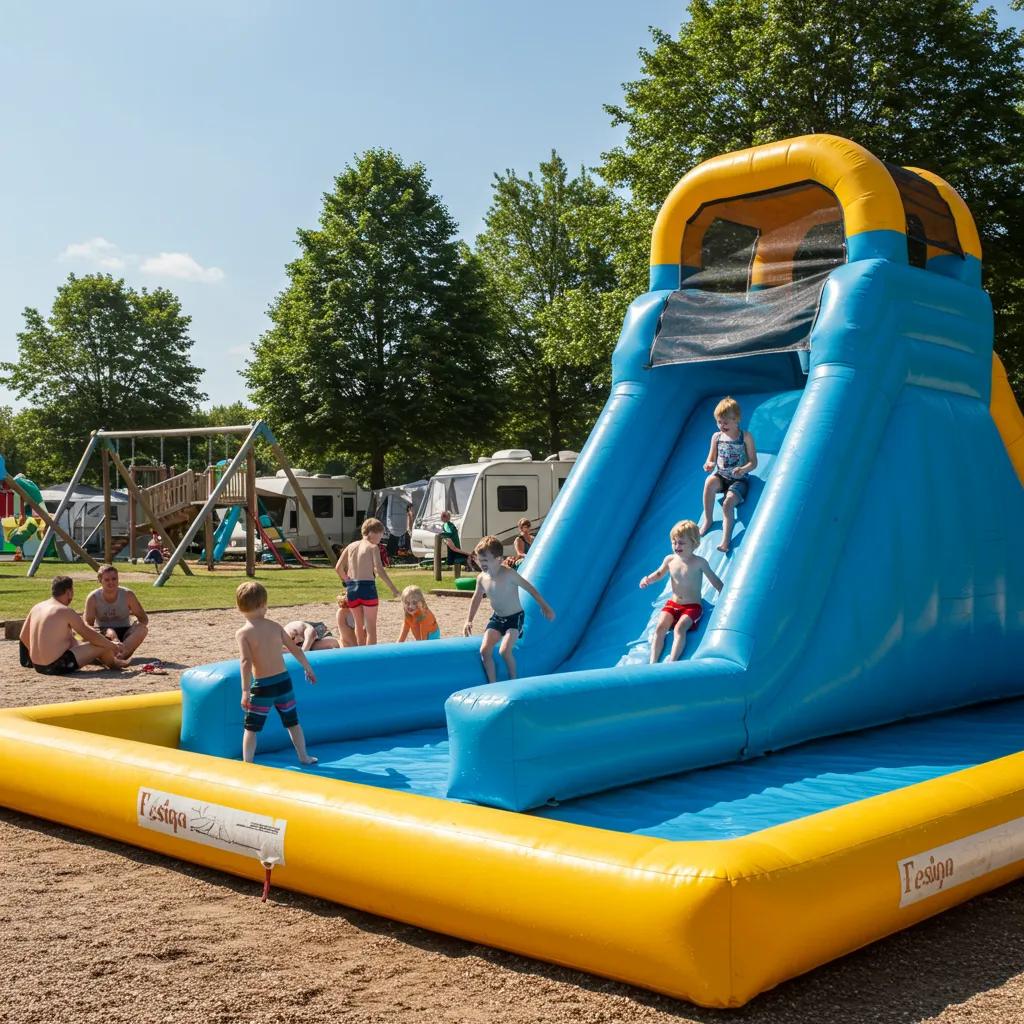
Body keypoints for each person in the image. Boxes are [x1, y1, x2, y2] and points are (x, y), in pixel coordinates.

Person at [235, 581, 317, 765]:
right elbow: (296, 650)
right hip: (283, 683)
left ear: (239, 607)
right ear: (264, 605)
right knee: (293, 722)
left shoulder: (243, 633)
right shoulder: (275, 627)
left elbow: (246, 662)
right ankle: (304, 756)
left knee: (251, 727)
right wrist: (308, 668)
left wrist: (245, 690)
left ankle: (247, 763)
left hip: (263, 686)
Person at [463, 535, 555, 682]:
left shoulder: (509, 574)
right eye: (480, 560)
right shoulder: (481, 578)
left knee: (504, 651)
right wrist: (469, 620)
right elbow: (476, 598)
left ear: (499, 559)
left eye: (486, 560)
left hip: (515, 617)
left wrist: (545, 607)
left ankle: (513, 680)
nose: (482, 564)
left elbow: (530, 589)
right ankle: (492, 684)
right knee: (484, 651)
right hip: (497, 618)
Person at [640, 520, 723, 663]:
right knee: (660, 628)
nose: (677, 546)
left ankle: (672, 661)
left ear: (694, 544)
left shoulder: (699, 562)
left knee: (679, 629)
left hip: (692, 607)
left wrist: (724, 595)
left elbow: (714, 580)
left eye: (681, 543)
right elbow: (659, 573)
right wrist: (648, 579)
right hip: (673, 603)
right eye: (674, 542)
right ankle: (653, 663)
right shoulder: (670, 559)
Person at [19, 575, 127, 675]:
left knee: (73, 640)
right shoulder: (65, 611)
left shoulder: (37, 607)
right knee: (102, 644)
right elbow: (89, 635)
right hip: (56, 666)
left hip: (38, 665)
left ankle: (107, 661)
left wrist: (38, 656)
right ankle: (116, 664)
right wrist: (113, 645)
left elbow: (23, 637)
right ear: (69, 592)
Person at [700, 396, 757, 553]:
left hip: (739, 479)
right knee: (709, 482)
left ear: (736, 420)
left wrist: (743, 469)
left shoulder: (745, 437)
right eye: (719, 421)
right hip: (722, 477)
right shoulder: (716, 437)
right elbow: (710, 458)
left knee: (727, 503)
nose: (721, 425)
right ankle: (708, 519)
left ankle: (725, 541)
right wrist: (709, 465)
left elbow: (753, 462)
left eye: (725, 422)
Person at [335, 518, 399, 645]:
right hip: (367, 587)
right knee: (370, 627)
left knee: (359, 625)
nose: (381, 538)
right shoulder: (372, 547)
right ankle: (372, 656)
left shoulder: (351, 546)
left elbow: (338, 568)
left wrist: (347, 580)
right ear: (372, 533)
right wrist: (393, 588)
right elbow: (379, 570)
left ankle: (361, 653)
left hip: (352, 588)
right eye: (380, 534)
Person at [84, 564, 150, 660]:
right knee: (110, 632)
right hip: (104, 634)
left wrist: (134, 628)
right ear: (100, 581)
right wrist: (100, 635)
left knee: (143, 629)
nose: (111, 582)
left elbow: (143, 619)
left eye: (114, 579)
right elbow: (87, 624)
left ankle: (120, 655)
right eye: (107, 580)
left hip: (125, 633)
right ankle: (110, 655)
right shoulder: (93, 597)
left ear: (118, 579)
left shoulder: (128, 594)